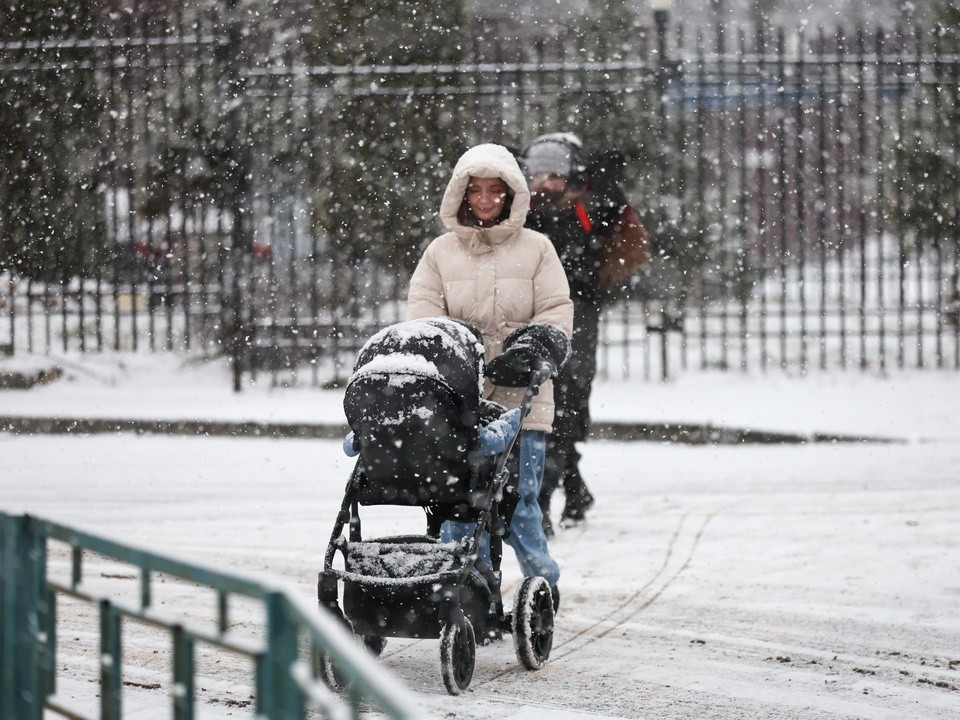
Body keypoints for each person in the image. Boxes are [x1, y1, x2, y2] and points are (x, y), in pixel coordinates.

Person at [407, 143, 574, 610]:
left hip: (524, 396)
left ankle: (542, 583)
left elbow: (557, 310)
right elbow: (423, 316)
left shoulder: (537, 249)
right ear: (461, 194)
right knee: (464, 504)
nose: (484, 200)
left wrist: (533, 349)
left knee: (522, 503)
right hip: (463, 398)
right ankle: (475, 593)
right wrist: (455, 353)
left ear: (510, 194)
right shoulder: (440, 254)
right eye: (475, 190)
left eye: (494, 191)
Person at [522, 132, 650, 534]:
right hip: (533, 316)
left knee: (564, 402)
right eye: (536, 174)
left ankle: (544, 499)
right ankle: (572, 490)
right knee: (542, 404)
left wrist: (594, 285)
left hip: (576, 319)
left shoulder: (588, 208)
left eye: (553, 174)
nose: (544, 183)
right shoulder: (521, 211)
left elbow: (618, 256)